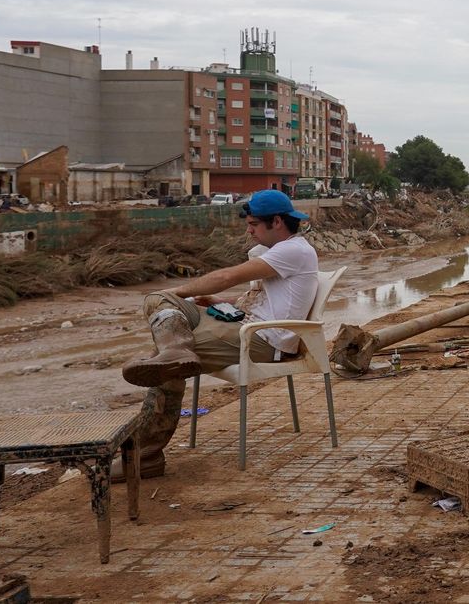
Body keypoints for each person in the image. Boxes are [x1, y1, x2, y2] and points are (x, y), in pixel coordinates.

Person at [119, 190, 319, 479]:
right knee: (156, 304)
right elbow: (265, 296)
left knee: (164, 365)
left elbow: (227, 276)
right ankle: (176, 348)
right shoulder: (285, 251)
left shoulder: (293, 251)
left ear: (276, 222)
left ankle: (145, 455)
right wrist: (217, 302)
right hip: (243, 325)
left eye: (253, 224)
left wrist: (176, 291)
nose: (248, 231)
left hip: (261, 340)